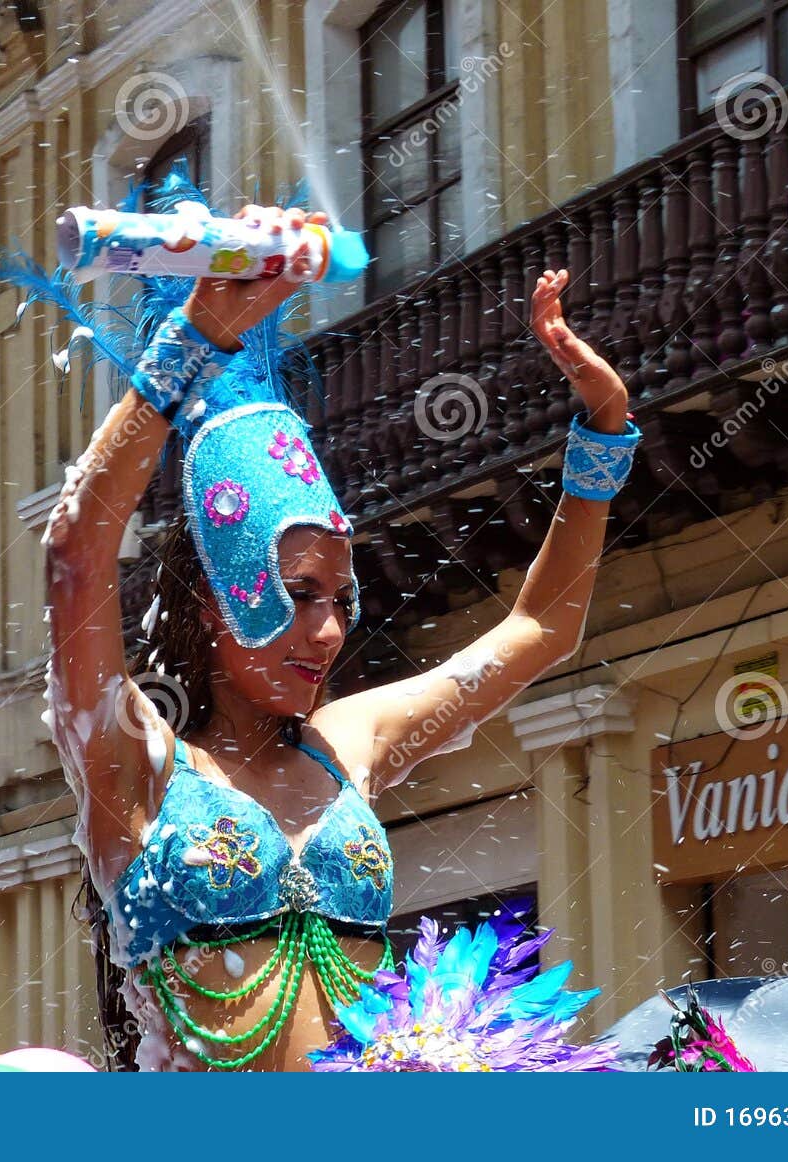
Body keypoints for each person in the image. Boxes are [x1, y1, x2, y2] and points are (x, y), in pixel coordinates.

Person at [34, 192, 640, 1071]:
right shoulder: (133, 763)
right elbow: (76, 554)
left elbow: (542, 626)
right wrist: (198, 334)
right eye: (298, 594)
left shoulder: (342, 746)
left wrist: (603, 433)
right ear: (213, 603)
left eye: (341, 601)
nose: (325, 633)